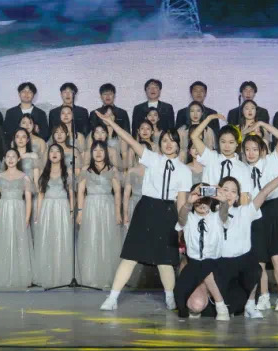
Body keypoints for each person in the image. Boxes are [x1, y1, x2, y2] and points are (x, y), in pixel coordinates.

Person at [95, 109, 191, 312]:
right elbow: (130, 140)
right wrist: (111, 124)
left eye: (172, 141)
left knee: (165, 261)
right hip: (146, 209)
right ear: (159, 143)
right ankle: (112, 298)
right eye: (164, 140)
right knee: (130, 257)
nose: (168, 144)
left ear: (178, 144)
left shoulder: (184, 171)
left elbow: (182, 202)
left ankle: (170, 298)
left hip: (168, 212)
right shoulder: (151, 158)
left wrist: (182, 226)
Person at [212, 152, 278, 319]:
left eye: (233, 191)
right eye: (225, 190)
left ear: (238, 196)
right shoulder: (211, 214)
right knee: (206, 307)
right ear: (218, 192)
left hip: (241, 265)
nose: (229, 194)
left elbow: (265, 191)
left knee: (254, 267)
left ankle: (250, 304)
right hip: (220, 265)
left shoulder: (246, 211)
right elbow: (222, 216)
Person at [173, 184, 228, 319]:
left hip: (215, 266)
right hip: (194, 266)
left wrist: (224, 202)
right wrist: (188, 202)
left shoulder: (217, 217)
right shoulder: (189, 217)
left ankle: (220, 304)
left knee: (206, 264)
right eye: (199, 198)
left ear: (211, 200)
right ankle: (209, 301)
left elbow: (224, 215)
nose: (202, 203)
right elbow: (181, 219)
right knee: (194, 305)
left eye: (206, 199)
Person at [76, 141, 123, 288]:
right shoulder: (86, 170)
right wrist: (80, 212)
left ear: (106, 153)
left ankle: (108, 277)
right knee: (91, 238)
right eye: (95, 150)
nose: (98, 153)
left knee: (107, 239)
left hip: (108, 206)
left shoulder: (112, 169)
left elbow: (117, 192)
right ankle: (91, 276)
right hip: (90, 206)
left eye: (101, 150)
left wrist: (117, 212)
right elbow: (80, 192)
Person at [0, 149, 35, 289]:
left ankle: (18, 276)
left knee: (18, 242)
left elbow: (28, 200)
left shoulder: (24, 177)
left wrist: (27, 218)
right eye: (8, 156)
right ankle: (2, 275)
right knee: (3, 241)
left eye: (13, 156)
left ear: (18, 159)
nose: (10, 159)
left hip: (18, 210)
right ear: (4, 159)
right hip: (3, 210)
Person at [33, 144, 75, 288]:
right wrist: (38, 214)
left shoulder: (67, 172)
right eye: (52, 151)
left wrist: (71, 211)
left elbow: (71, 194)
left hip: (62, 208)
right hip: (47, 208)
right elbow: (40, 195)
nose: (54, 153)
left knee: (62, 239)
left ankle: (62, 275)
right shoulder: (44, 173)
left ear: (62, 155)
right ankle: (48, 274)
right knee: (48, 239)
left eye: (57, 151)